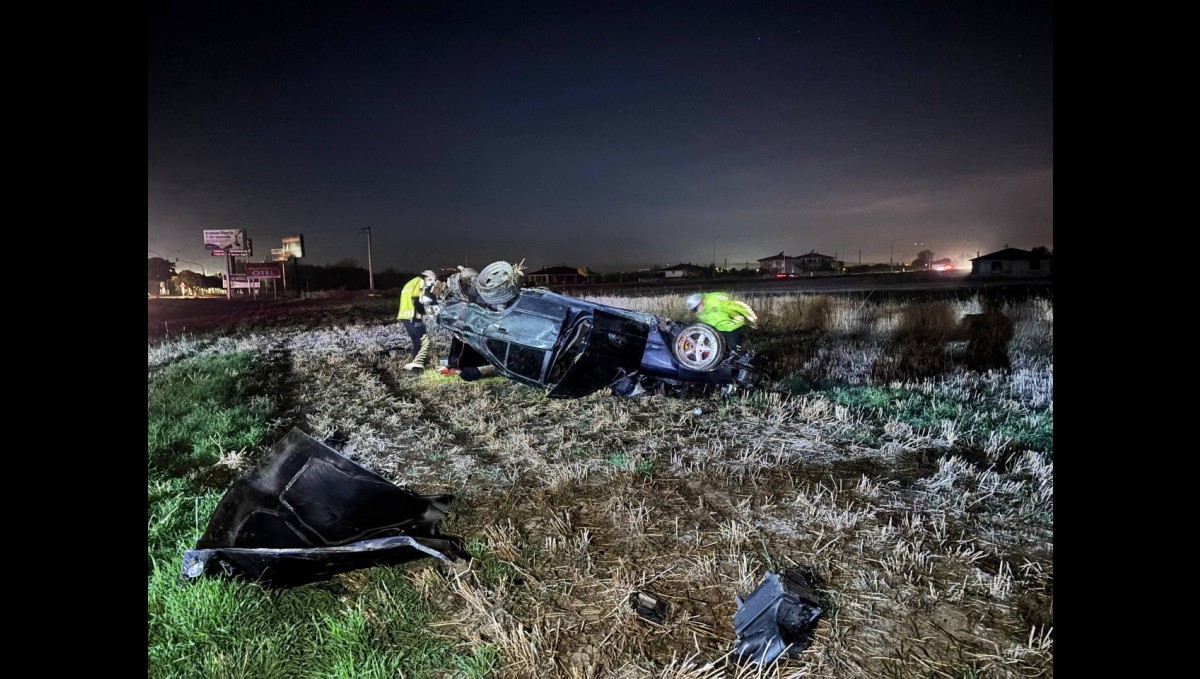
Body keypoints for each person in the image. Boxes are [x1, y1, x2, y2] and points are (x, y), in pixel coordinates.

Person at [685, 291, 759, 350]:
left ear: (700, 302)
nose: (695, 312)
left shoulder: (716, 301)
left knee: (735, 349)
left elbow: (739, 306)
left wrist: (752, 319)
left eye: (695, 309)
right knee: (723, 351)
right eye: (693, 310)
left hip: (733, 327)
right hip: (719, 331)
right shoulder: (700, 313)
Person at [397, 270, 439, 372]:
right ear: (427, 278)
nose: (430, 285)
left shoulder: (411, 283)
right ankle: (416, 367)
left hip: (406, 315)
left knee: (418, 341)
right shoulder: (419, 281)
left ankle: (416, 362)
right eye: (431, 281)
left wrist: (430, 301)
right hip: (412, 316)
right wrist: (427, 311)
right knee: (421, 341)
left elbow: (419, 298)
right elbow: (416, 300)